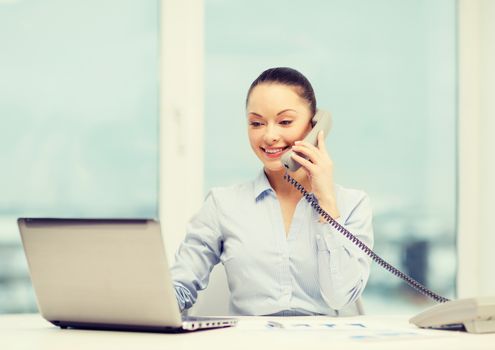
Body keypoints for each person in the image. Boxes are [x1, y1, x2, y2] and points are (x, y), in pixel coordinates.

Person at [171, 67, 374, 316]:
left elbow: (340, 297)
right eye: (256, 123)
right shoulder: (222, 204)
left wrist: (326, 203)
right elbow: (180, 285)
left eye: (285, 122)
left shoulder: (352, 203)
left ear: (315, 126)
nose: (269, 136)